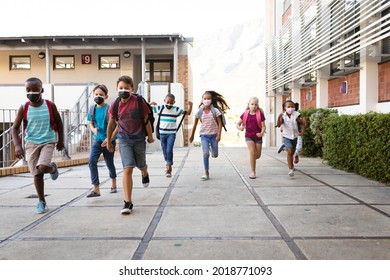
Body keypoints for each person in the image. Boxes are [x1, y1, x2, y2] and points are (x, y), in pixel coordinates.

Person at [11, 77, 64, 213]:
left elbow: (59, 123)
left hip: (48, 141)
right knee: (37, 174)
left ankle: (51, 169)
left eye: (35, 90)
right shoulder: (24, 107)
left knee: (42, 167)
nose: (32, 92)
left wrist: (61, 140)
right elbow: (14, 128)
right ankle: (41, 201)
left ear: (42, 90)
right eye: (28, 90)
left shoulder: (50, 105)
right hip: (31, 143)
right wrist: (17, 145)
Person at [106, 76, 154, 215]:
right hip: (124, 139)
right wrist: (109, 141)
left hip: (139, 139)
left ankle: (145, 172)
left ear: (132, 89)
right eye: (121, 88)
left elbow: (146, 121)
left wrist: (150, 136)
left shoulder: (138, 101)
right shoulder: (115, 105)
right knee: (127, 168)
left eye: (127, 88)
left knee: (140, 164)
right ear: (117, 89)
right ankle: (128, 201)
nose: (123, 90)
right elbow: (112, 124)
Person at [189, 90, 229, 180]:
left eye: (208, 99)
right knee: (205, 153)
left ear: (211, 100)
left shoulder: (215, 111)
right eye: (205, 98)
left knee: (215, 155)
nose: (207, 100)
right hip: (204, 136)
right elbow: (195, 125)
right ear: (202, 100)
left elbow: (220, 123)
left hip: (214, 136)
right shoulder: (199, 112)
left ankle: (212, 150)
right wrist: (192, 135)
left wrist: (219, 135)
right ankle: (206, 173)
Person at [86, 84, 118, 198]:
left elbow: (117, 126)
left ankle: (113, 184)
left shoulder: (110, 109)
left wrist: (109, 140)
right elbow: (90, 122)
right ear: (93, 96)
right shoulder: (92, 109)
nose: (98, 96)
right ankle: (96, 188)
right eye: (96, 94)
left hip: (109, 140)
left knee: (109, 163)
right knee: (91, 161)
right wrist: (93, 129)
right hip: (97, 140)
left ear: (106, 96)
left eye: (101, 94)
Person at [150, 94, 193, 177]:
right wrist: (150, 103)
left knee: (169, 149)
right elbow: (147, 108)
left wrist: (190, 106)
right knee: (164, 150)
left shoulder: (176, 109)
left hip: (171, 134)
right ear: (164, 101)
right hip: (162, 134)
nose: (169, 104)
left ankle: (168, 167)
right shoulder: (160, 108)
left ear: (174, 102)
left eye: (171, 102)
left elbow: (187, 113)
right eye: (167, 102)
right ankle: (168, 163)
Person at [236, 97, 266, 179]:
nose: (254, 106)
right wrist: (240, 128)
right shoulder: (245, 114)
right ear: (248, 105)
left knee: (258, 155)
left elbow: (263, 126)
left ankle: (252, 159)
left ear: (258, 105)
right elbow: (237, 124)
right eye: (252, 104)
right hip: (249, 136)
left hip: (258, 137)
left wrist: (261, 133)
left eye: (256, 104)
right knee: (252, 152)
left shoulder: (260, 114)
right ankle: (253, 172)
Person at [276, 100, 305, 177]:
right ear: (285, 108)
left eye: (292, 106)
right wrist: (279, 118)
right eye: (288, 107)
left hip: (295, 136)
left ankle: (285, 148)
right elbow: (278, 125)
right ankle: (291, 169)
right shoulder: (283, 116)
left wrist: (302, 131)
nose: (291, 108)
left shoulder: (296, 115)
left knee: (292, 152)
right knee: (290, 151)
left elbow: (302, 123)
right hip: (286, 136)